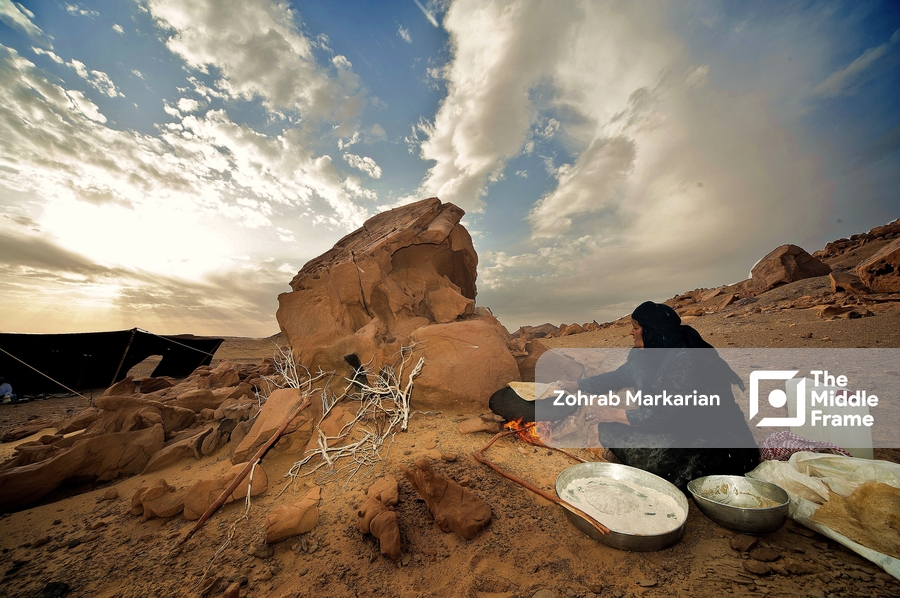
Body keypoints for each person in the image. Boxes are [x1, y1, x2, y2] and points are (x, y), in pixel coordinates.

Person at [561, 301, 760, 489]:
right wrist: (575, 384)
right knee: (610, 430)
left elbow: (674, 414)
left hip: (714, 440)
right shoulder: (644, 357)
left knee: (672, 465)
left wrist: (614, 413)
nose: (631, 332)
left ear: (653, 331)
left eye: (636, 328)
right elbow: (615, 378)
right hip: (673, 428)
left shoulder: (686, 359)